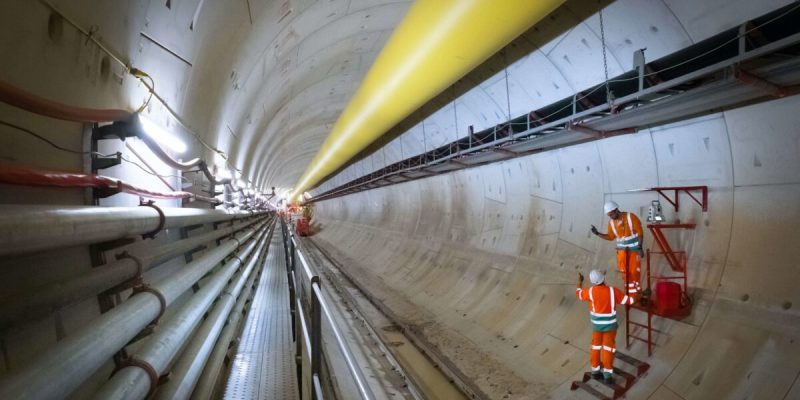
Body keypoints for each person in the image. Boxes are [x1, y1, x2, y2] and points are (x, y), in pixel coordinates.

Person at [576, 269, 635, 384]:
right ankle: (607, 376)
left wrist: (579, 282)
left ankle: (595, 372)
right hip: (610, 327)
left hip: (597, 327)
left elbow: (579, 294)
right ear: (603, 278)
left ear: (593, 282)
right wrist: (638, 294)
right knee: (608, 349)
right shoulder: (613, 291)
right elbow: (630, 300)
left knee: (595, 348)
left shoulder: (590, 292)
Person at [591, 201, 647, 299]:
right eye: (609, 215)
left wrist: (640, 248)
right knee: (625, 274)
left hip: (634, 251)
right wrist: (597, 233)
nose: (611, 216)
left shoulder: (630, 217)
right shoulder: (611, 223)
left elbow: (640, 232)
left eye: (611, 214)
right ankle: (631, 295)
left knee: (634, 272)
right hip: (621, 253)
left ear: (616, 210)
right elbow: (610, 237)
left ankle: (638, 293)